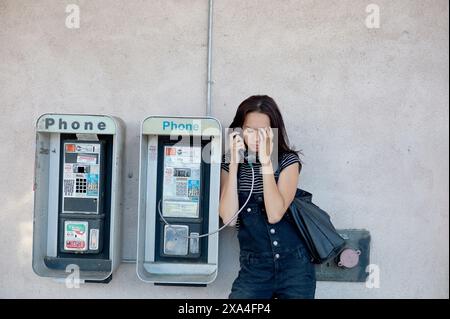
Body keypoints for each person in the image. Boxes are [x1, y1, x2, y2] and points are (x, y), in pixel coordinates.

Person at [219, 95, 316, 299]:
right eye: (249, 130)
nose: (255, 137)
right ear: (238, 131)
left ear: (273, 131)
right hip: (254, 269)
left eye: (262, 131)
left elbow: (274, 213)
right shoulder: (228, 165)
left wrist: (266, 163)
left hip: (295, 268)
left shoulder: (288, 162)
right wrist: (234, 163)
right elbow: (228, 218)